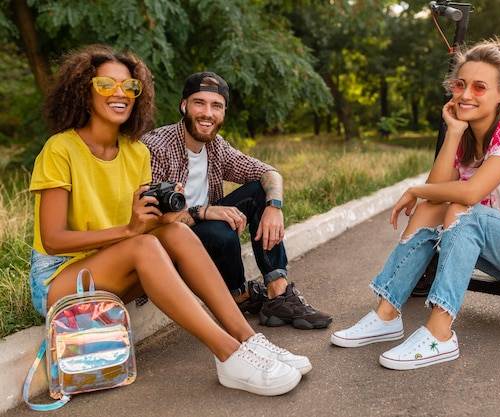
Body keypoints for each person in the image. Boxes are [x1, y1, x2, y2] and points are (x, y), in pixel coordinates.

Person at [29, 44, 312, 397]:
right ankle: (228, 355)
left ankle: (250, 339)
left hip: (113, 265)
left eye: (129, 87)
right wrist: (133, 230)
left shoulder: (136, 152)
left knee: (174, 231)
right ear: (84, 90)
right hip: (61, 279)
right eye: (106, 85)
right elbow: (53, 239)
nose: (120, 94)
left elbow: (144, 225)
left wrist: (164, 219)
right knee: (146, 244)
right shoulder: (60, 150)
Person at [330, 38, 500, 370]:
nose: (465, 95)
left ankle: (440, 334)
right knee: (430, 209)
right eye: (460, 85)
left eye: (480, 88)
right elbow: (436, 194)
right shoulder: (466, 137)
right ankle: (386, 314)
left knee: (465, 212)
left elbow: (469, 194)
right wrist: (452, 133)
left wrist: (415, 188)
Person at [140, 72, 332, 330]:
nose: (208, 113)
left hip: (203, 230)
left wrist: (274, 207)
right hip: (168, 240)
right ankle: (239, 294)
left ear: (224, 112)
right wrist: (204, 212)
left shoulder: (216, 147)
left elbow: (267, 172)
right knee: (221, 231)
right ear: (184, 105)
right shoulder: (156, 147)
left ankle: (277, 292)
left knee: (260, 191)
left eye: (216, 106)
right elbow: (148, 220)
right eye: (199, 103)